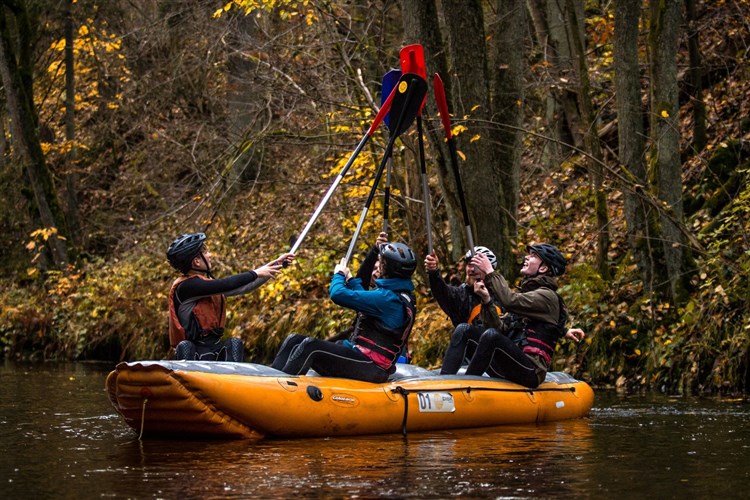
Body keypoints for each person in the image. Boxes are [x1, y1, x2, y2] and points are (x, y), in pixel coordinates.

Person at [271, 242, 417, 383]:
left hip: (372, 367)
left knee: (311, 347)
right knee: (294, 339)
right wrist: (351, 279)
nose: (378, 268)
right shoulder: (393, 295)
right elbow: (364, 299)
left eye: (382, 264)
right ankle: (269, 382)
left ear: (390, 269)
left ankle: (283, 390)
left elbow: (337, 294)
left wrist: (339, 275)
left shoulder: (388, 299)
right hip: (361, 357)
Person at [441, 243, 583, 388]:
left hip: (530, 371)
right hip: (508, 362)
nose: (527, 257)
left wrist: (490, 271)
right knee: (464, 329)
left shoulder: (547, 296)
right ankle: (442, 384)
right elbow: (500, 328)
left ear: (543, 268)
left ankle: (467, 387)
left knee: (491, 336)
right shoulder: (528, 295)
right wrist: (487, 301)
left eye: (533, 256)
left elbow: (509, 301)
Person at [166, 232, 294, 362]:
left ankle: (233, 379)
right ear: (196, 262)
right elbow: (226, 284)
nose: (209, 255)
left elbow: (245, 287)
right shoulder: (187, 287)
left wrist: (276, 264)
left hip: (213, 350)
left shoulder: (206, 285)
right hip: (193, 355)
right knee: (186, 346)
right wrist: (255, 273)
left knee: (234, 343)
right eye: (205, 252)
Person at [424, 246, 504, 375]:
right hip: (467, 361)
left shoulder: (502, 296)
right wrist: (433, 273)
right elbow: (442, 291)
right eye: (469, 264)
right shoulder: (460, 295)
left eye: (477, 265)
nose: (472, 269)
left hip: (497, 361)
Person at [325, 231, 389, 343]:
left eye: (379, 270)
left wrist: (339, 275)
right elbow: (362, 276)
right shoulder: (365, 291)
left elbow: (338, 294)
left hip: (372, 341)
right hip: (358, 334)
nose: (375, 273)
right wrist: (375, 250)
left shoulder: (385, 295)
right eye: (374, 269)